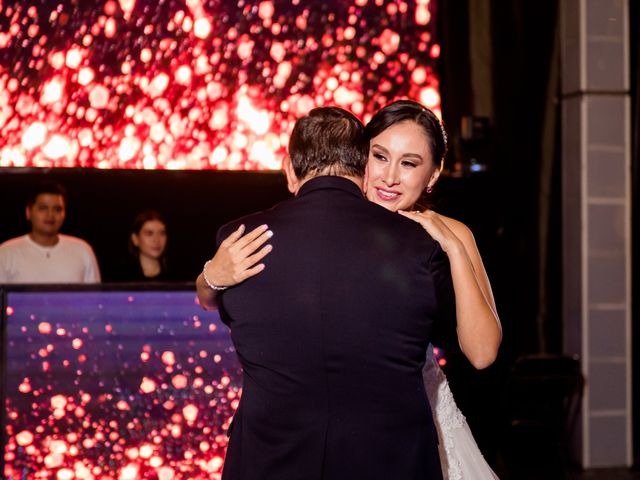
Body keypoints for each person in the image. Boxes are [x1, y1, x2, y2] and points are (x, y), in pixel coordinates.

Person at [202, 100, 502, 479]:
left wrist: (455, 249)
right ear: (359, 159)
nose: (389, 177)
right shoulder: (324, 221)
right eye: (379, 157)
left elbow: (482, 353)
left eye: (408, 163)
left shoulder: (446, 237)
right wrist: (209, 276)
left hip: (412, 426)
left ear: (433, 174)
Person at [0, 182, 101, 284]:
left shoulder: (82, 250)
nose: (50, 215)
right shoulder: (6, 252)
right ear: (28, 212)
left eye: (57, 209)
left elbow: (95, 298)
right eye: (43, 208)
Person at [113, 210, 172, 281]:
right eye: (149, 233)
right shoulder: (121, 276)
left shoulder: (177, 275)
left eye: (162, 233)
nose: (156, 240)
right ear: (135, 239)